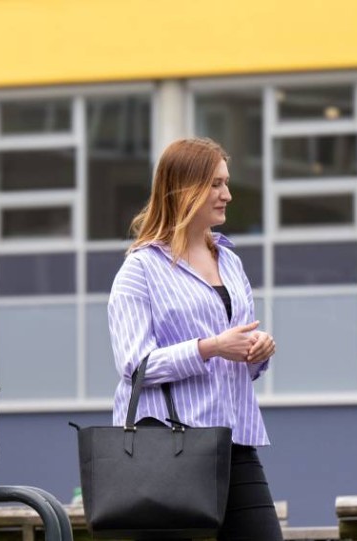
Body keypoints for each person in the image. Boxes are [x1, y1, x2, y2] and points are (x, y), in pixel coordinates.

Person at [106, 137, 279, 540]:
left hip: (234, 441)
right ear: (185, 189)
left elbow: (240, 359)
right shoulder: (140, 269)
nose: (227, 195)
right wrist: (210, 347)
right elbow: (135, 367)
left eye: (226, 183)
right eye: (216, 184)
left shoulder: (230, 261)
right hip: (169, 445)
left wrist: (256, 352)